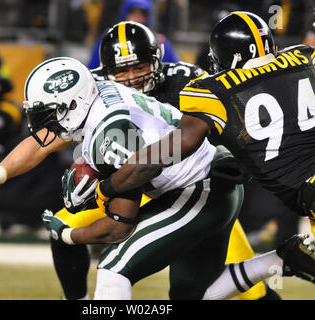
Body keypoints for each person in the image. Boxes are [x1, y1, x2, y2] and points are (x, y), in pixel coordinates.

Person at [0, 57, 315, 300]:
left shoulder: (112, 134)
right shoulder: (96, 98)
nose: (43, 125)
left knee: (113, 270)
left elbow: (119, 226)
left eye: (47, 114)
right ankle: (282, 260)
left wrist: (67, 232)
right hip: (206, 181)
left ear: (72, 105)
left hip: (198, 188)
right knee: (192, 296)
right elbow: (39, 144)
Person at [55, 21, 280, 300]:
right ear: (105, 72)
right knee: (64, 224)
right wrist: (0, 172)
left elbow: (227, 128)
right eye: (121, 70)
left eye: (138, 67)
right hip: (141, 184)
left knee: (237, 292)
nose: (131, 78)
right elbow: (50, 136)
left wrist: (104, 188)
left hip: (194, 185)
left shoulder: (187, 81)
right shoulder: (95, 91)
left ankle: (281, 262)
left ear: (157, 60)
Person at [84, 11, 315, 278]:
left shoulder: (211, 91)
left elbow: (157, 158)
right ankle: (283, 260)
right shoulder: (304, 56)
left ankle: (283, 260)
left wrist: (108, 186)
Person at [87, 0, 179, 69]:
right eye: (133, 13)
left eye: (142, 14)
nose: (137, 18)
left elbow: (174, 69)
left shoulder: (160, 42)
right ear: (125, 14)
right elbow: (93, 70)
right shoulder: (109, 40)